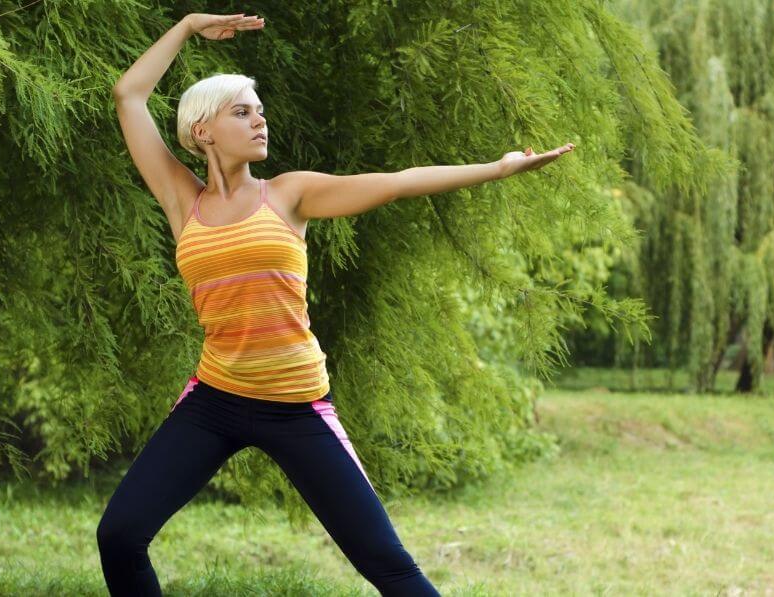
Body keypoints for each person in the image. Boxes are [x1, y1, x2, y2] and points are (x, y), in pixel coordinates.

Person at [96, 11, 575, 597]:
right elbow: (129, 93)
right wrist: (191, 24)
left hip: (296, 406)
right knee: (120, 535)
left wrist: (498, 169)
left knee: (388, 565)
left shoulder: (291, 195)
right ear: (202, 131)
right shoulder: (182, 202)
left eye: (260, 109)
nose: (259, 119)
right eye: (241, 111)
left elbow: (397, 180)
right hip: (214, 401)